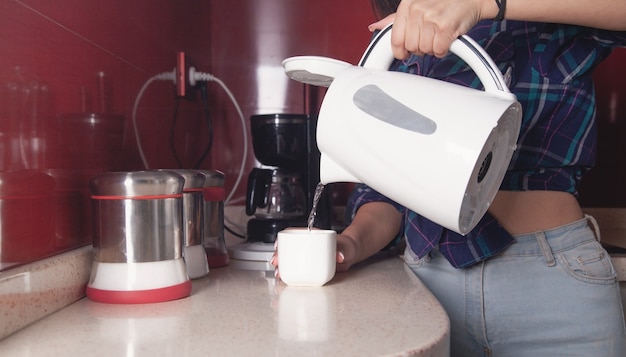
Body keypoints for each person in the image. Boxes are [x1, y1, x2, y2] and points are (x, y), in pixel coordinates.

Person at [274, 0, 626, 355]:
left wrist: (487, 5)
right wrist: (348, 246)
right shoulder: (399, 47)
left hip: (549, 283)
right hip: (427, 288)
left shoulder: (533, 15)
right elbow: (385, 195)